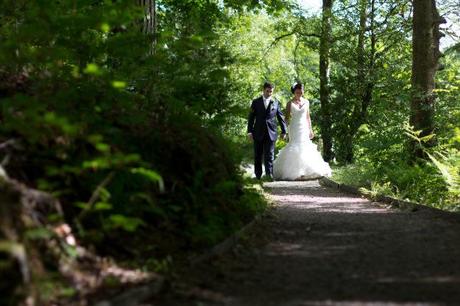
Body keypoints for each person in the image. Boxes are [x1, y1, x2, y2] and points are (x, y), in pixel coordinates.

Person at [273, 82, 332, 180]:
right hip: (294, 128)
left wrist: (311, 130)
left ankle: (307, 171)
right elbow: (286, 119)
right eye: (297, 92)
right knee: (295, 147)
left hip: (304, 128)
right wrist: (285, 131)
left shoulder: (307, 102)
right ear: (294, 92)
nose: (299, 94)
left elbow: (308, 117)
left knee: (305, 147)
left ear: (303, 92)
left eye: (301, 92)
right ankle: (295, 173)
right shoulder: (290, 103)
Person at [247, 82, 288, 180]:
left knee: (269, 154)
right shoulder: (255, 102)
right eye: (267, 91)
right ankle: (258, 176)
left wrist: (283, 131)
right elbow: (251, 118)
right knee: (258, 154)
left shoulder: (276, 102)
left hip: (271, 132)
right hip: (257, 132)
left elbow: (280, 117)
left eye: (271, 91)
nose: (269, 93)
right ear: (263, 90)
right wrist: (249, 132)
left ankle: (269, 175)